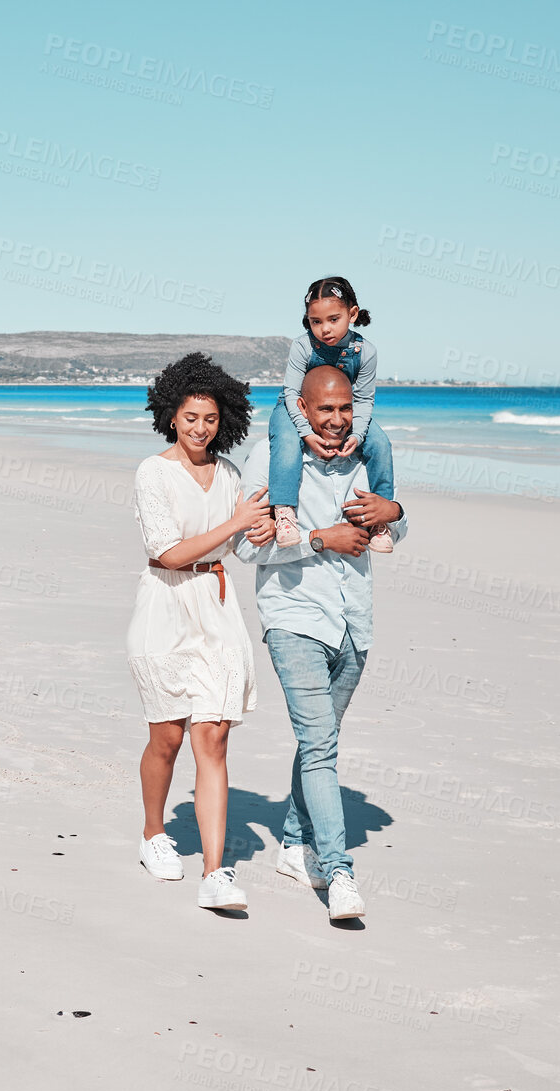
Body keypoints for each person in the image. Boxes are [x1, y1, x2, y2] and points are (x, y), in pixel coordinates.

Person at [236, 365, 409, 921]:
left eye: (344, 410)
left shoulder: (365, 453)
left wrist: (396, 513)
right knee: (321, 747)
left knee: (320, 742)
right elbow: (244, 548)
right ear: (302, 409)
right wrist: (317, 539)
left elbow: (389, 527)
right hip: (294, 618)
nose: (335, 421)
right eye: (324, 410)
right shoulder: (272, 457)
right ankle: (338, 873)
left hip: (354, 620)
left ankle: (292, 842)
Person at [127, 353, 276, 912]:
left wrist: (260, 530)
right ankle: (153, 835)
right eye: (190, 416)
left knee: (212, 736)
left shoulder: (231, 475)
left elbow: (237, 547)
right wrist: (236, 523)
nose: (200, 428)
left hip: (215, 608)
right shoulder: (153, 472)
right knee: (166, 737)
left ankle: (215, 872)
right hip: (164, 606)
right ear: (171, 415)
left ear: (224, 420)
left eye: (210, 418)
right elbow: (165, 550)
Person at [268, 276, 396, 553]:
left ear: (352, 314)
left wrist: (359, 436)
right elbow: (291, 393)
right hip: (294, 408)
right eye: (316, 321)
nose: (325, 329)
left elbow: (362, 399)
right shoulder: (303, 346)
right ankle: (285, 513)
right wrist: (304, 432)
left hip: (344, 410)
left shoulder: (365, 352)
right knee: (287, 443)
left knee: (380, 444)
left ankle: (380, 519)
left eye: (333, 319)